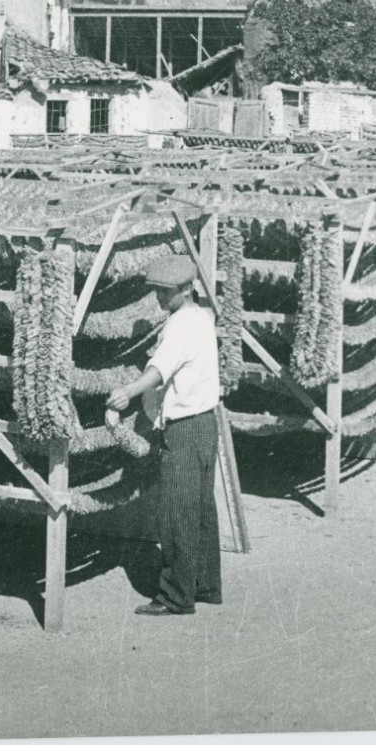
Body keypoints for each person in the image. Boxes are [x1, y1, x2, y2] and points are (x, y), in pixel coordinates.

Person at [105, 253, 223, 616]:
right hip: (205, 424)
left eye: (163, 292)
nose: (157, 298)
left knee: (176, 513)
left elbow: (159, 369)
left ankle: (175, 597)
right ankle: (204, 585)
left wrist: (128, 392)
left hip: (185, 429)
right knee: (201, 508)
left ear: (183, 291)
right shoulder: (202, 318)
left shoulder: (180, 325)